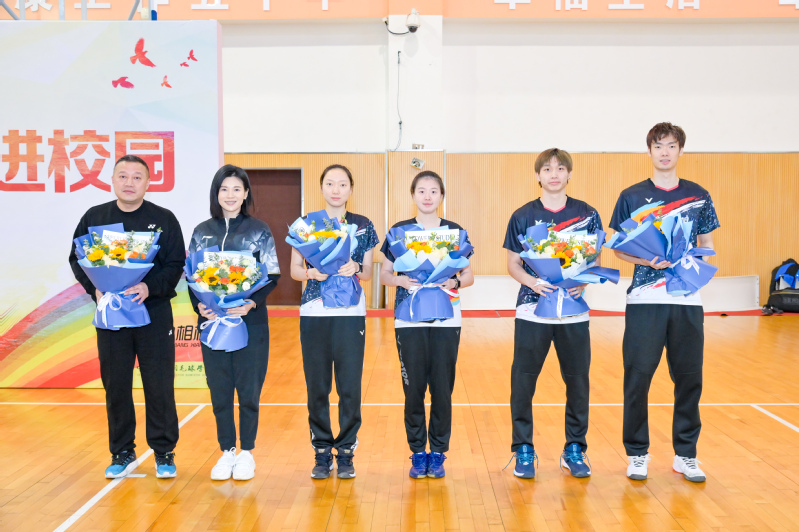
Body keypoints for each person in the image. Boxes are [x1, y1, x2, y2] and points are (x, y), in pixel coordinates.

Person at [610, 122, 719, 483]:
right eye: (658, 146)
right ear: (650, 151)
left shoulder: (699, 195)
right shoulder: (631, 196)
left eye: (671, 145)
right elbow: (619, 248)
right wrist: (647, 260)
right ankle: (637, 453)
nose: (665, 152)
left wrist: (692, 267)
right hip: (645, 297)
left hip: (687, 298)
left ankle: (686, 454)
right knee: (638, 376)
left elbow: (707, 244)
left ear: (680, 151)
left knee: (689, 377)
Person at [69, 155, 185, 479]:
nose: (129, 182)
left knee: (159, 385)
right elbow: (77, 258)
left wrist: (149, 287)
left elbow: (175, 263)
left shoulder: (163, 219)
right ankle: (122, 451)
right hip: (112, 316)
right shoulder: (95, 217)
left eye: (137, 177)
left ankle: (163, 451)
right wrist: (95, 289)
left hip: (153, 314)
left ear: (148, 183)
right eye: (123, 176)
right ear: (112, 180)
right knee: (116, 385)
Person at [503, 148, 602, 479]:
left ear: (569, 174)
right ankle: (523, 448)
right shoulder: (522, 215)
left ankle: (575, 448)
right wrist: (534, 282)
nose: (554, 174)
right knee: (523, 382)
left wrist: (582, 282)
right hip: (532, 309)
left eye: (560, 168)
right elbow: (513, 263)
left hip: (573, 311)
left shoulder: (587, 213)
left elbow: (594, 260)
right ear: (538, 176)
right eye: (547, 169)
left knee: (577, 382)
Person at [379, 170, 474, 479]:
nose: (428, 196)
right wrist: (400, 280)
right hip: (409, 319)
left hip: (447, 318)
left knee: (443, 389)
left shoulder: (455, 232)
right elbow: (384, 274)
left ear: (441, 195)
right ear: (413, 195)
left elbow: (469, 276)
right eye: (422, 190)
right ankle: (418, 451)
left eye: (434, 191)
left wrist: (454, 281)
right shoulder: (399, 232)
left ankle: (439, 452)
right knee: (414, 389)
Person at [188, 164, 280, 481]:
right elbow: (191, 278)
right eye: (224, 189)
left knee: (249, 390)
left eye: (236, 189)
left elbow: (272, 276)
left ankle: (247, 453)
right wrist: (201, 306)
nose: (230, 195)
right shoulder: (201, 231)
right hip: (214, 323)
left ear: (245, 194)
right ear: (216, 193)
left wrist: (251, 303)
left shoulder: (259, 230)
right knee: (220, 390)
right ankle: (227, 451)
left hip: (250, 322)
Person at [289, 164, 380, 480]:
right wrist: (311, 272)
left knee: (349, 386)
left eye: (342, 184)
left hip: (350, 312)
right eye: (330, 183)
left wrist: (356, 267)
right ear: (322, 187)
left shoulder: (363, 225)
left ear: (351, 189)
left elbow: (368, 273)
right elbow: (295, 271)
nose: (336, 189)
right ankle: (321, 450)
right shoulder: (306, 224)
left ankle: (346, 451)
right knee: (317, 385)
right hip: (314, 311)